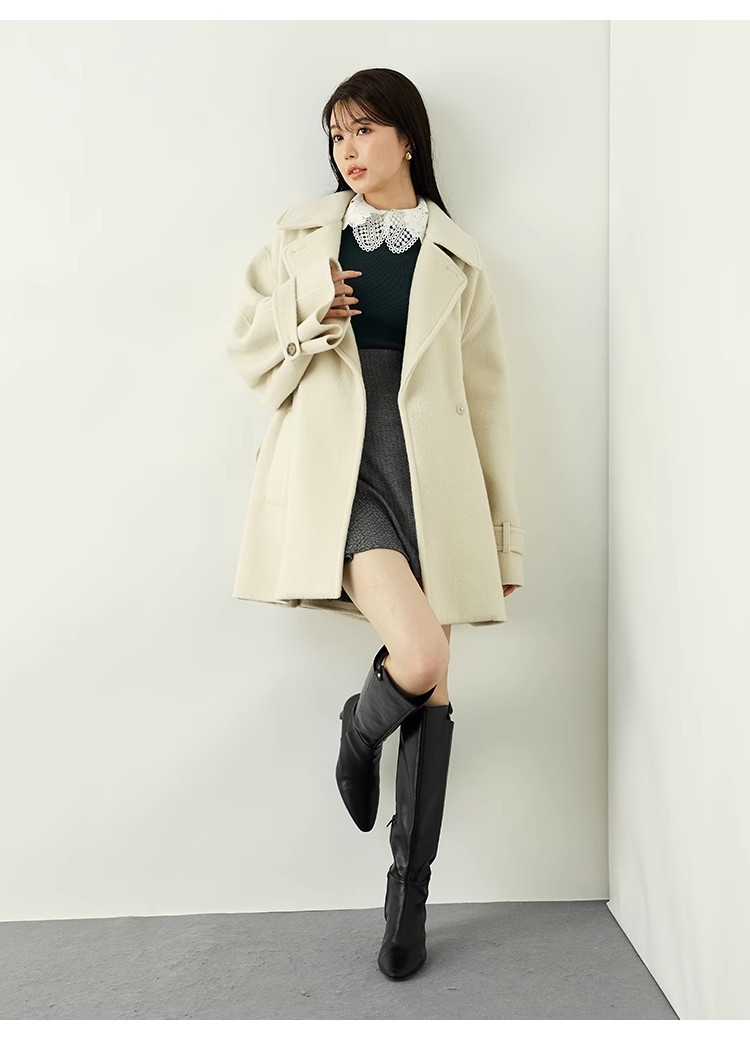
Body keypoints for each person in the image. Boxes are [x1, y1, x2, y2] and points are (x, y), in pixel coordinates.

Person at [224, 68, 524, 981]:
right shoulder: (302, 236)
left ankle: (407, 908)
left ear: (407, 139)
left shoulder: (459, 258)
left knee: (434, 687)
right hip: (340, 472)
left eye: (363, 130)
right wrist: (309, 313)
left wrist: (500, 535)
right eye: (336, 135)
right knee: (421, 656)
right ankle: (359, 729)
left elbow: (487, 403)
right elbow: (246, 352)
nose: (347, 150)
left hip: (434, 479)